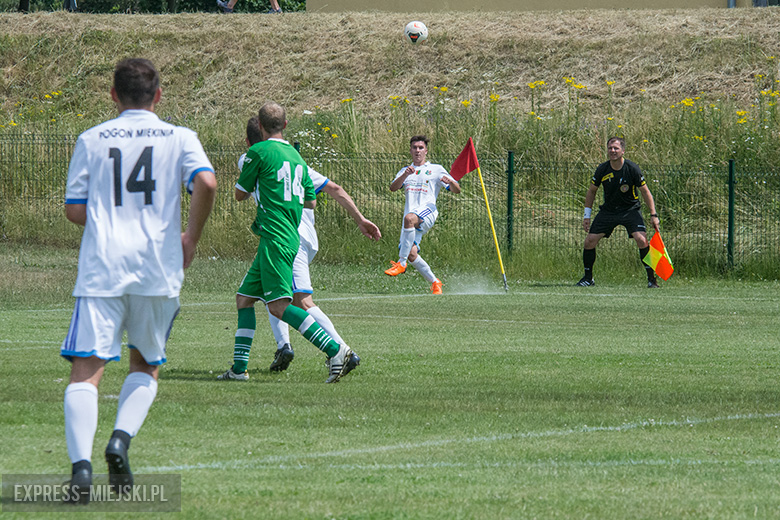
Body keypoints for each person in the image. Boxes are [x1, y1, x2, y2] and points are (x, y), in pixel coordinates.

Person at [61, 58, 217, 504]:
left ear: (113, 94)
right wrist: (190, 237)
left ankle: (81, 470)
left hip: (102, 267)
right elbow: (206, 182)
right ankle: (120, 441)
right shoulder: (180, 137)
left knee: (86, 370)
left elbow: (74, 210)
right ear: (158, 96)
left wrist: (111, 217)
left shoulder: (91, 139)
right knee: (145, 364)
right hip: (157, 266)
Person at [218, 117, 380, 376]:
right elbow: (325, 193)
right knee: (248, 298)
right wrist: (359, 219)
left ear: (251, 140)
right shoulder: (295, 158)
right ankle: (245, 366)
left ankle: (339, 350)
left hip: (285, 235)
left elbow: (241, 193)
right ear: (283, 124)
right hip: (295, 236)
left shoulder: (255, 155)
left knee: (295, 302)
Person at [577, 136, 660, 288]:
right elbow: (591, 191)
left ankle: (651, 279)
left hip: (630, 210)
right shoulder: (602, 169)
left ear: (623, 151)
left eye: (616, 148)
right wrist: (586, 216)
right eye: (610, 148)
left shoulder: (632, 168)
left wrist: (653, 215)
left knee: (642, 240)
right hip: (608, 211)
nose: (613, 151)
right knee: (589, 241)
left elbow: (646, 192)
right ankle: (588, 279)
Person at [384, 135, 460, 294]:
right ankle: (435, 282)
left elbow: (456, 190)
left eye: (420, 148)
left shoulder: (435, 169)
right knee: (412, 254)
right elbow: (393, 187)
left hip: (428, 211)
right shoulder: (406, 170)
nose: (417, 150)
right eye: (414, 148)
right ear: (410, 150)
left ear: (426, 150)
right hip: (411, 220)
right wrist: (405, 175)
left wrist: (452, 182)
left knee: (408, 218)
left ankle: (401, 264)